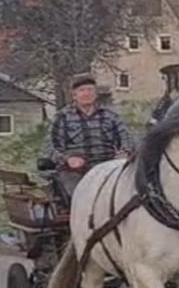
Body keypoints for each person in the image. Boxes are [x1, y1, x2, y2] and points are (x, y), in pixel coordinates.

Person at [43, 72, 135, 204]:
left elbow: (126, 137)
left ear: (96, 94)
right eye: (82, 90)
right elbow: (51, 146)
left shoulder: (110, 116)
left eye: (90, 90)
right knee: (81, 198)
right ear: (74, 95)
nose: (87, 93)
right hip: (75, 171)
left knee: (126, 195)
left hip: (107, 167)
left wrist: (125, 152)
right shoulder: (62, 117)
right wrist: (68, 159)